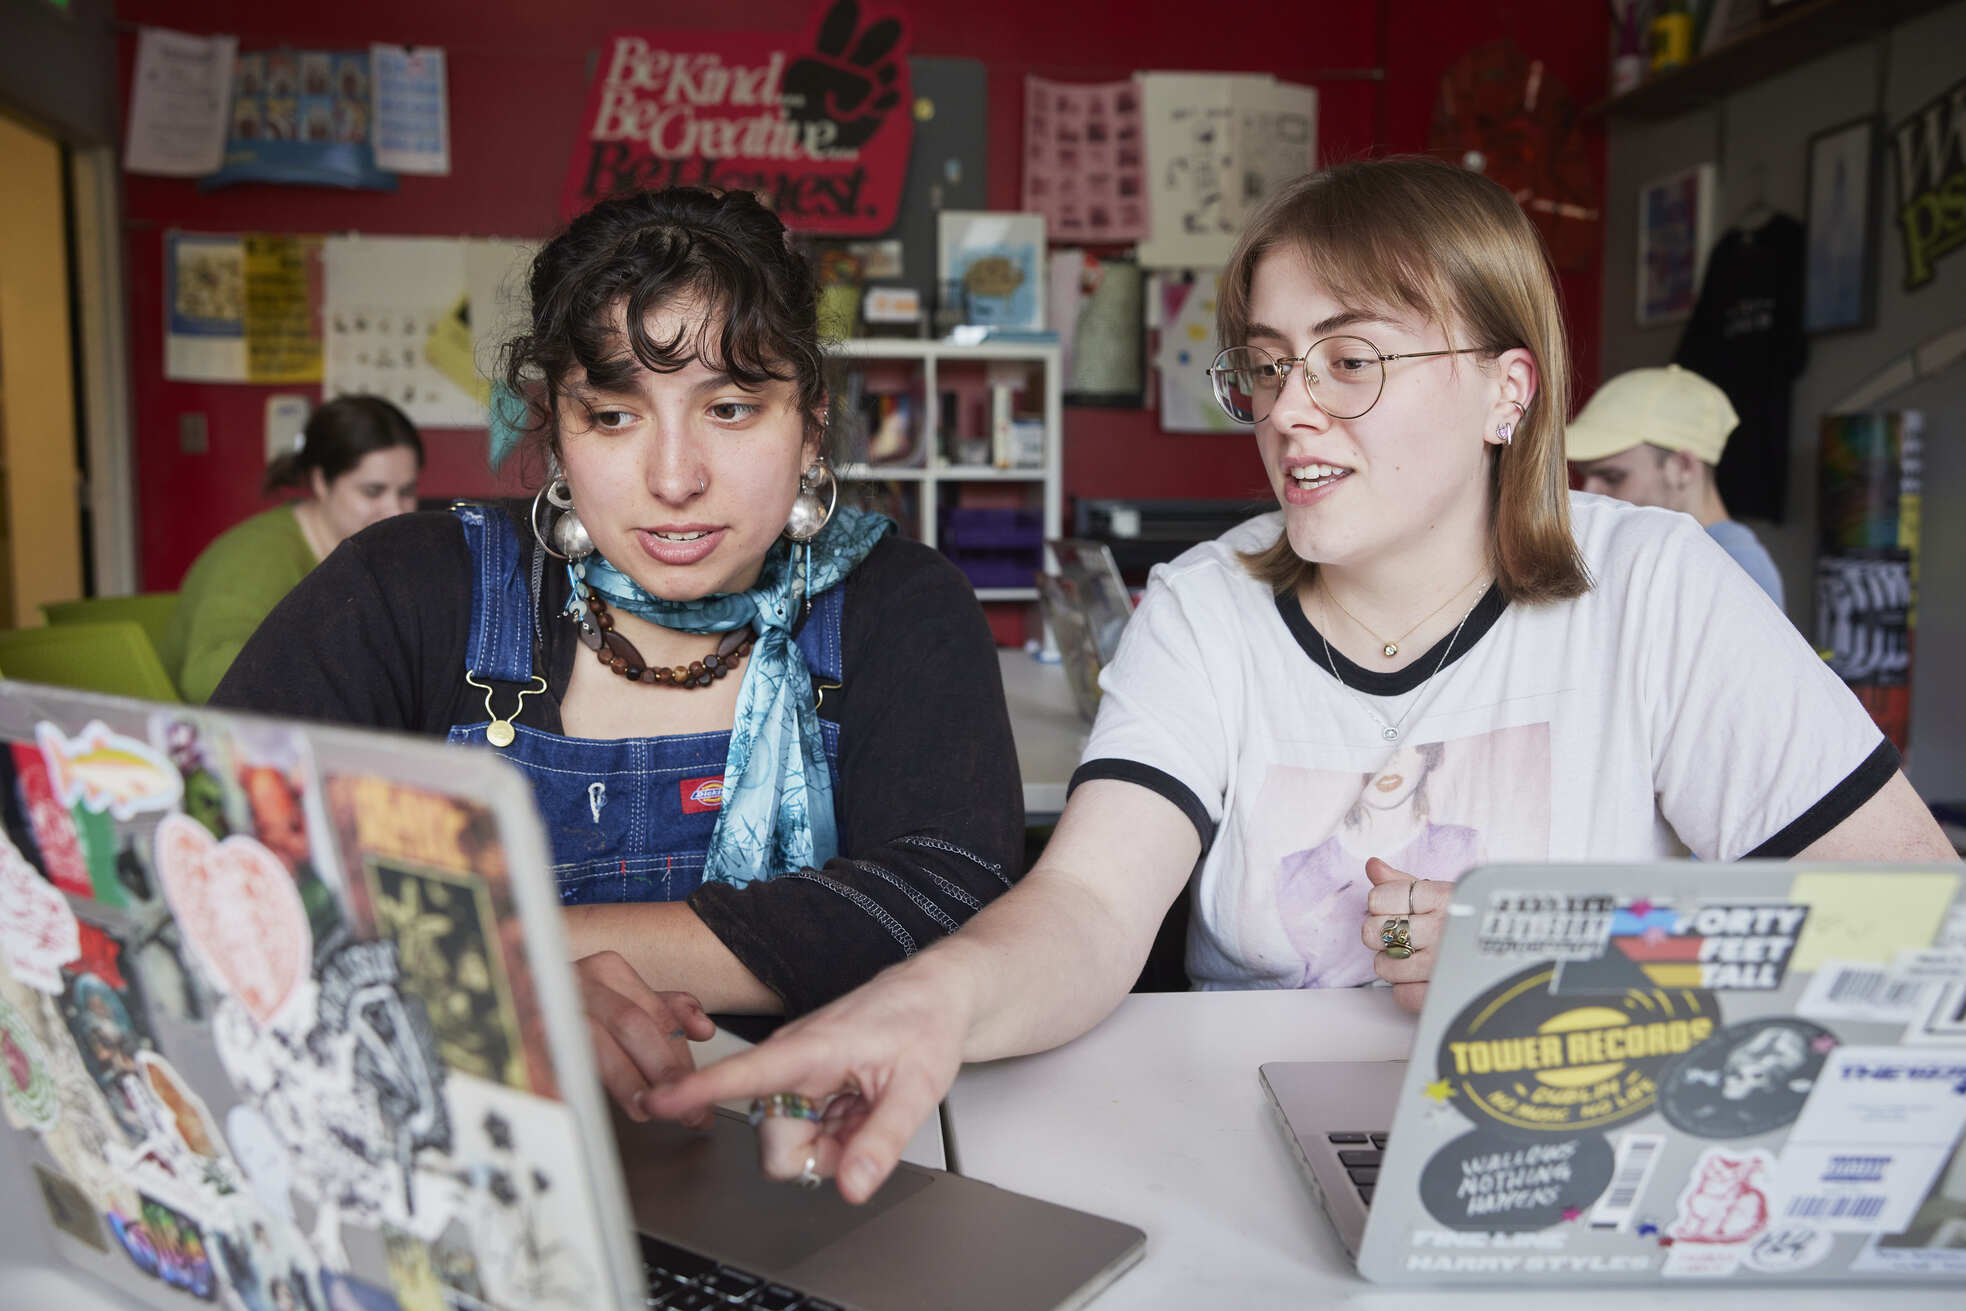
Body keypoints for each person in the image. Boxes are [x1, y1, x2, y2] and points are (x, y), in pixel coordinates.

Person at [640, 157, 1956, 1202]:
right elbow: (1093, 899)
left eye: (1350, 357)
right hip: (1238, 1173)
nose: (1287, 406)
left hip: (1605, 1167)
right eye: (1266, 365)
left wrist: (1575, 951)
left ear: (1508, 392)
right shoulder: (1208, 605)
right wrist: (928, 1001)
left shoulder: (1663, 590)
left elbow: (1913, 920)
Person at [211, 187, 1022, 1116]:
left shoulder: (899, 604)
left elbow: (950, 889)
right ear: (553, 427)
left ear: (811, 424)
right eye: (612, 416)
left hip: (822, 1147)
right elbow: (219, 854)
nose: (674, 479)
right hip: (475, 1147)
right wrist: (505, 991)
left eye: (731, 408)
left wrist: (519, 955)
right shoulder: (408, 590)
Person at [164, 396, 423, 701]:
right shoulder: (258, 557)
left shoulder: (371, 557)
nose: (395, 510)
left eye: (406, 492)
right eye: (372, 491)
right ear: (320, 482)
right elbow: (209, 678)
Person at [1567, 364, 1786, 607]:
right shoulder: (1661, 552)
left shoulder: (1734, 568)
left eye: (1612, 477)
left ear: (1683, 467)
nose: (1588, 492)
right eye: (1584, 476)